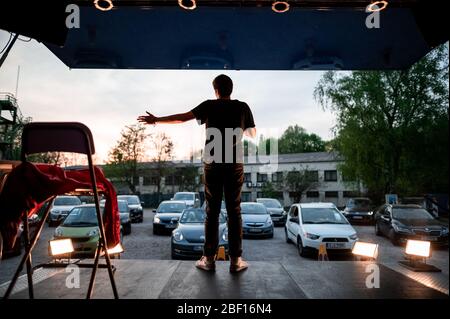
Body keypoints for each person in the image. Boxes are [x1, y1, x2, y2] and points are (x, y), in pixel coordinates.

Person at [138, 74, 256, 273]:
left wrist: (156, 120)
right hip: (234, 164)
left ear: (216, 90)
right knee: (235, 211)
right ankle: (236, 261)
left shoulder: (209, 105)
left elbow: (183, 117)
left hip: (213, 165)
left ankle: (209, 260)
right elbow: (252, 134)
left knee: (212, 211)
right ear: (231, 89)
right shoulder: (243, 107)